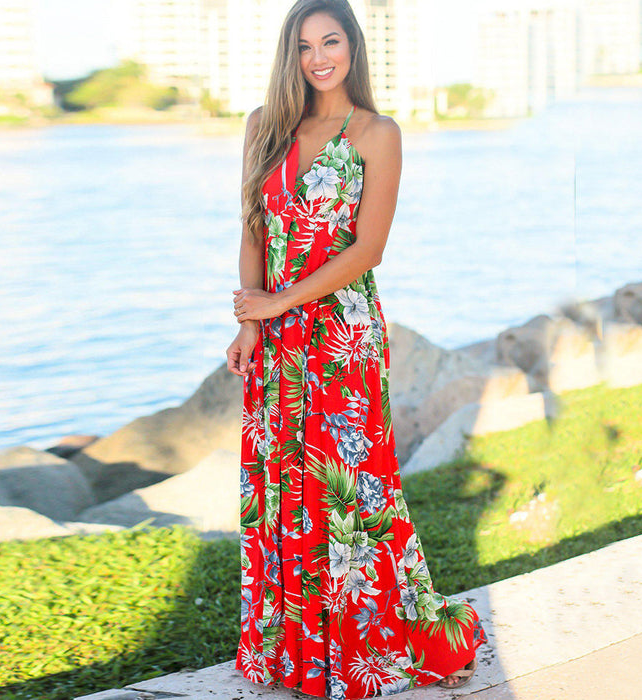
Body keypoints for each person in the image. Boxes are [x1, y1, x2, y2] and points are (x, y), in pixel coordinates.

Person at [225, 1, 488, 697]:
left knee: (353, 494)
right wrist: (251, 321)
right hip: (277, 344)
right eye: (306, 45)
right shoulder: (264, 126)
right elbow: (253, 227)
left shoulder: (377, 133)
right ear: (291, 52)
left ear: (352, 47)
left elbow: (368, 248)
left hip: (342, 338)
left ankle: (365, 651)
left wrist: (277, 302)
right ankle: (295, 654)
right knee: (282, 492)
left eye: (331, 41)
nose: (319, 57)